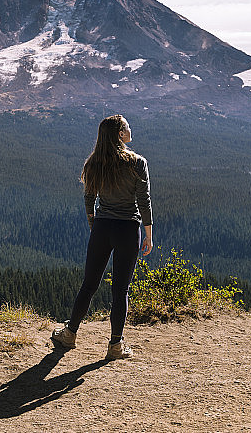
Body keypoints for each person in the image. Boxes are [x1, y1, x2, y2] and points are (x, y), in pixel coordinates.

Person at [51, 114, 153, 360]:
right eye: (127, 126)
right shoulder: (137, 163)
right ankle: (115, 346)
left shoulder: (94, 163)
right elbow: (144, 201)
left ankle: (69, 334)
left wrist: (93, 226)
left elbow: (89, 198)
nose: (130, 129)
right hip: (128, 229)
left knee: (89, 284)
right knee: (121, 290)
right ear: (120, 134)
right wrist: (148, 235)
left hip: (102, 227)